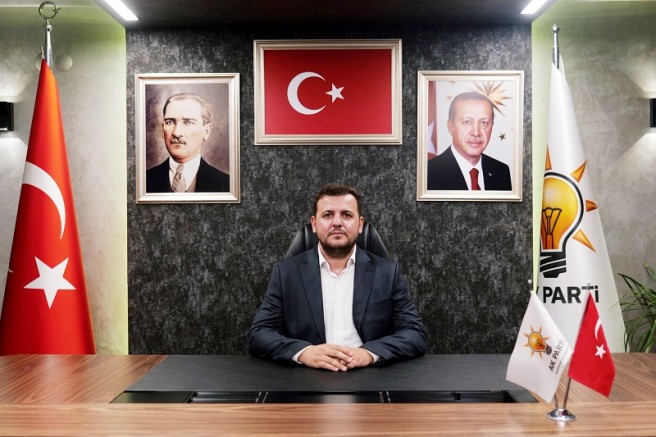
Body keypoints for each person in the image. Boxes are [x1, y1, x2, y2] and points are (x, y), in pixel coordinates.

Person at [248, 183, 427, 371]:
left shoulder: (387, 272)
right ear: (314, 224)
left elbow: (415, 333)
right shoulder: (286, 273)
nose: (337, 223)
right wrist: (304, 352)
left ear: (360, 224)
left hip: (370, 375)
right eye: (328, 215)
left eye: (346, 215)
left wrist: (368, 354)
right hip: (307, 376)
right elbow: (259, 333)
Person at [427, 92, 512, 191]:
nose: (476, 133)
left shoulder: (501, 171)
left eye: (484, 123)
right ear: (451, 127)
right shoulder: (429, 173)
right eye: (467, 122)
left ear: (492, 126)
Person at [146, 93, 229, 193]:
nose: (176, 133)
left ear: (206, 131)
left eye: (188, 122)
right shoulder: (144, 181)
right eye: (170, 122)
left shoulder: (226, 185)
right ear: (163, 130)